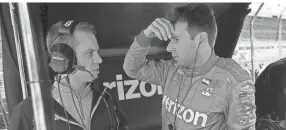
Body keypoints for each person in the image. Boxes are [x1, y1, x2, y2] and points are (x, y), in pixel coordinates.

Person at [123, 4, 256, 130]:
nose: (169, 47)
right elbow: (132, 68)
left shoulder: (235, 83)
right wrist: (146, 35)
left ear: (201, 40)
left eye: (176, 39)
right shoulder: (171, 69)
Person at [8, 21, 127, 130]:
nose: (99, 59)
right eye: (90, 53)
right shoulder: (29, 111)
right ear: (65, 58)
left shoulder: (106, 97)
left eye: (97, 52)